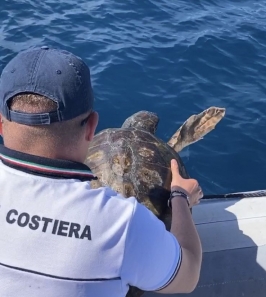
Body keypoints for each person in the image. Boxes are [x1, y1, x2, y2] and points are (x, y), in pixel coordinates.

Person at [0, 46, 203, 297]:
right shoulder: (123, 222)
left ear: (1, 123)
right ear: (91, 128)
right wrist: (181, 198)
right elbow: (189, 274)